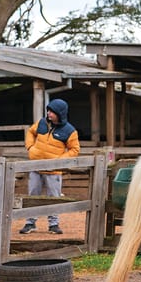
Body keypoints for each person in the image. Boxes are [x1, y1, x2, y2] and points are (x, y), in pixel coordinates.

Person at [20, 98, 81, 235]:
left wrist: (59, 161)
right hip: (35, 167)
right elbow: (30, 132)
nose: (48, 113)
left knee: (53, 197)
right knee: (32, 195)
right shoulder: (41, 123)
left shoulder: (70, 131)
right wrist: (30, 147)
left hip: (53, 171)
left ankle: (53, 224)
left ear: (60, 114)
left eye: (52, 111)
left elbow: (75, 150)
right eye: (48, 110)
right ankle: (30, 223)